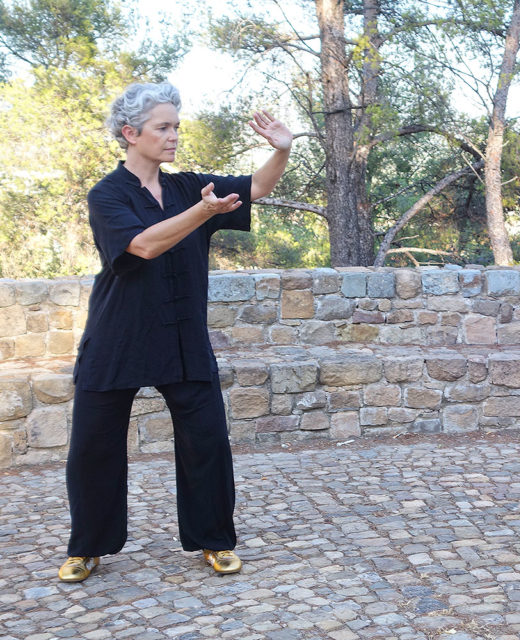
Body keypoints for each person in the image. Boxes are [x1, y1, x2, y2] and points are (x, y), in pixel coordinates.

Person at [58, 82, 293, 582]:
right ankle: (87, 546)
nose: (173, 136)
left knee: (205, 440)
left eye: (176, 127)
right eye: (163, 127)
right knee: (94, 446)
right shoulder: (107, 195)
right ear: (130, 133)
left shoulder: (189, 187)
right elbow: (142, 246)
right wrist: (204, 213)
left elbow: (257, 187)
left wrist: (282, 149)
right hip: (117, 336)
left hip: (182, 335)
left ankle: (214, 540)